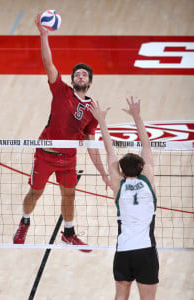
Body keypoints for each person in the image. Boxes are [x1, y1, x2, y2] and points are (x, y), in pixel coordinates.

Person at [13, 13, 110, 252]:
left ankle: (69, 233)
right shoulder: (60, 90)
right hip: (45, 154)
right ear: (72, 79)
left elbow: (91, 145)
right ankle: (24, 221)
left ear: (89, 83)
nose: (79, 76)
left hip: (68, 158)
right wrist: (43, 35)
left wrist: (104, 174)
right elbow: (48, 63)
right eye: (76, 73)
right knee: (35, 193)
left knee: (69, 196)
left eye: (84, 75)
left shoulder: (91, 110)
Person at [90, 97, 159, 299]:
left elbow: (110, 151)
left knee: (120, 295)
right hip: (145, 251)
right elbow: (146, 145)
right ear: (142, 168)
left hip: (124, 252)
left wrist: (102, 121)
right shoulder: (148, 181)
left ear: (120, 170)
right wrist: (137, 117)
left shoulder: (118, 185)